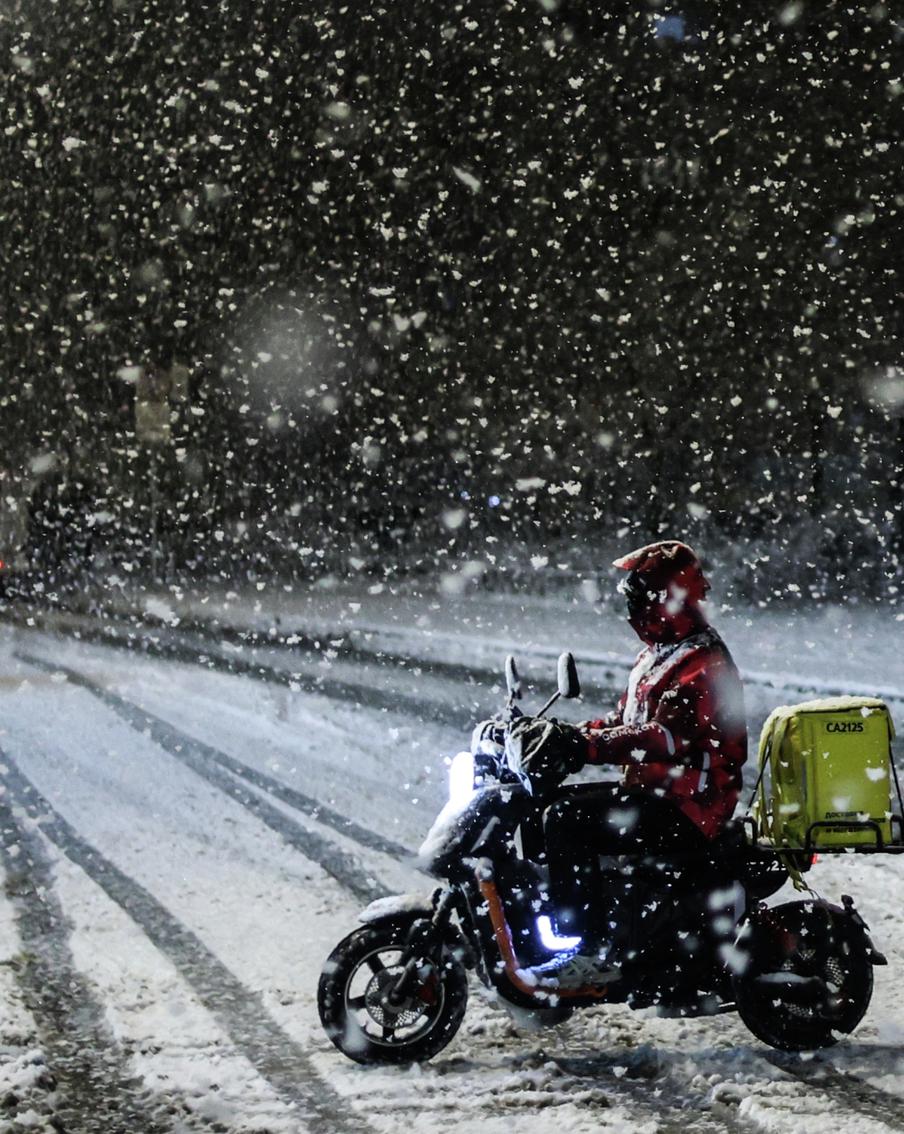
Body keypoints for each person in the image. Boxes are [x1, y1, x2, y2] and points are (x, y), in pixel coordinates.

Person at [543, 540, 747, 985]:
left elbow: (663, 736)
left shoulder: (700, 661)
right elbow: (626, 721)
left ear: (667, 597)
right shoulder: (661, 654)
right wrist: (567, 734)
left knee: (566, 820)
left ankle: (590, 953)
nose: (631, 604)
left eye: (639, 594)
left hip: (691, 805)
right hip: (659, 791)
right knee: (546, 806)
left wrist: (588, 749)